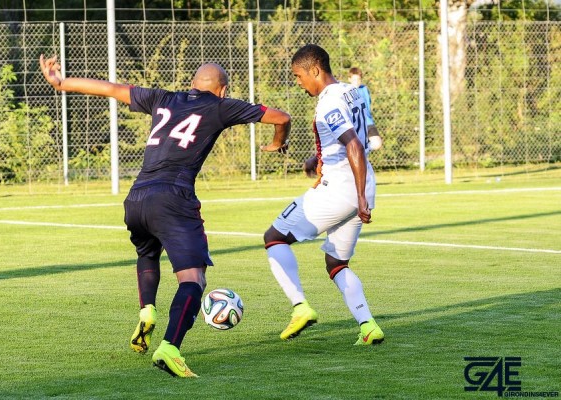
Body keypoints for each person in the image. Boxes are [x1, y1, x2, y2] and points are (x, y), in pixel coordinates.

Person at [40, 55, 291, 378]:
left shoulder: (162, 97)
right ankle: (170, 348)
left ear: (192, 84)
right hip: (173, 198)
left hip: (137, 198)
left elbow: (112, 89)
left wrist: (61, 83)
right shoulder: (220, 106)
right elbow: (281, 117)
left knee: (147, 252)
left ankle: (147, 311)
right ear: (223, 90)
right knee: (193, 279)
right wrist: (276, 144)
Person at [263, 44, 384, 346]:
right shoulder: (350, 91)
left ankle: (300, 307)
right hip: (364, 181)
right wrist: (315, 162)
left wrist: (359, 198)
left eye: (299, 76)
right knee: (336, 262)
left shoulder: (329, 103)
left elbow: (354, 144)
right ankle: (368, 326)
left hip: (344, 189)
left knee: (274, 237)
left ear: (314, 70)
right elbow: (351, 142)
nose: (299, 83)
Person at [348, 67, 382, 155]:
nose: (357, 82)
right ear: (349, 79)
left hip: (368, 122)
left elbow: (368, 103)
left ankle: (364, 151)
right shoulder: (347, 91)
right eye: (354, 79)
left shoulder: (364, 89)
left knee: (377, 143)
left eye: (358, 79)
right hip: (355, 124)